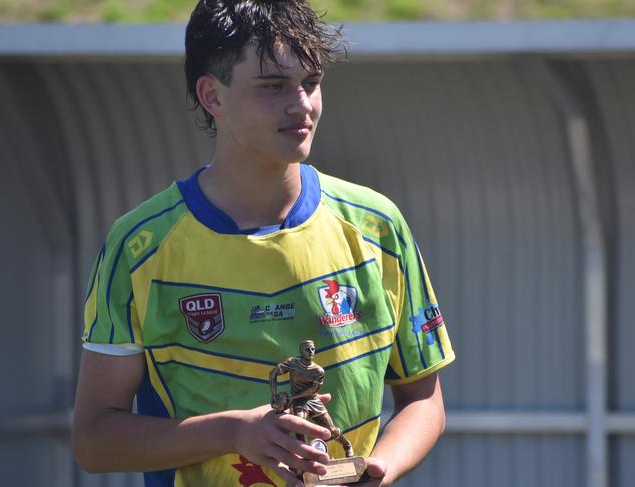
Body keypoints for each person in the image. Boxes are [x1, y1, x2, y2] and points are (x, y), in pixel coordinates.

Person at [72, 1, 455, 486]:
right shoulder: (140, 245)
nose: (302, 104)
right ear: (212, 96)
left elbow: (424, 400)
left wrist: (379, 468)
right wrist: (233, 431)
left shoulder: (377, 225)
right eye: (273, 87)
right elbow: (94, 440)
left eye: (311, 84)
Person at [270, 340, 354, 458]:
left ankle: (346, 444)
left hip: (312, 400)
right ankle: (306, 457)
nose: (310, 352)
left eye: (312, 349)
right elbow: (273, 373)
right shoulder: (293, 363)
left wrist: (290, 398)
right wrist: (274, 395)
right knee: (299, 425)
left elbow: (311, 391)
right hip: (299, 402)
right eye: (307, 349)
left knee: (331, 429)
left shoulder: (318, 371)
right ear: (301, 351)